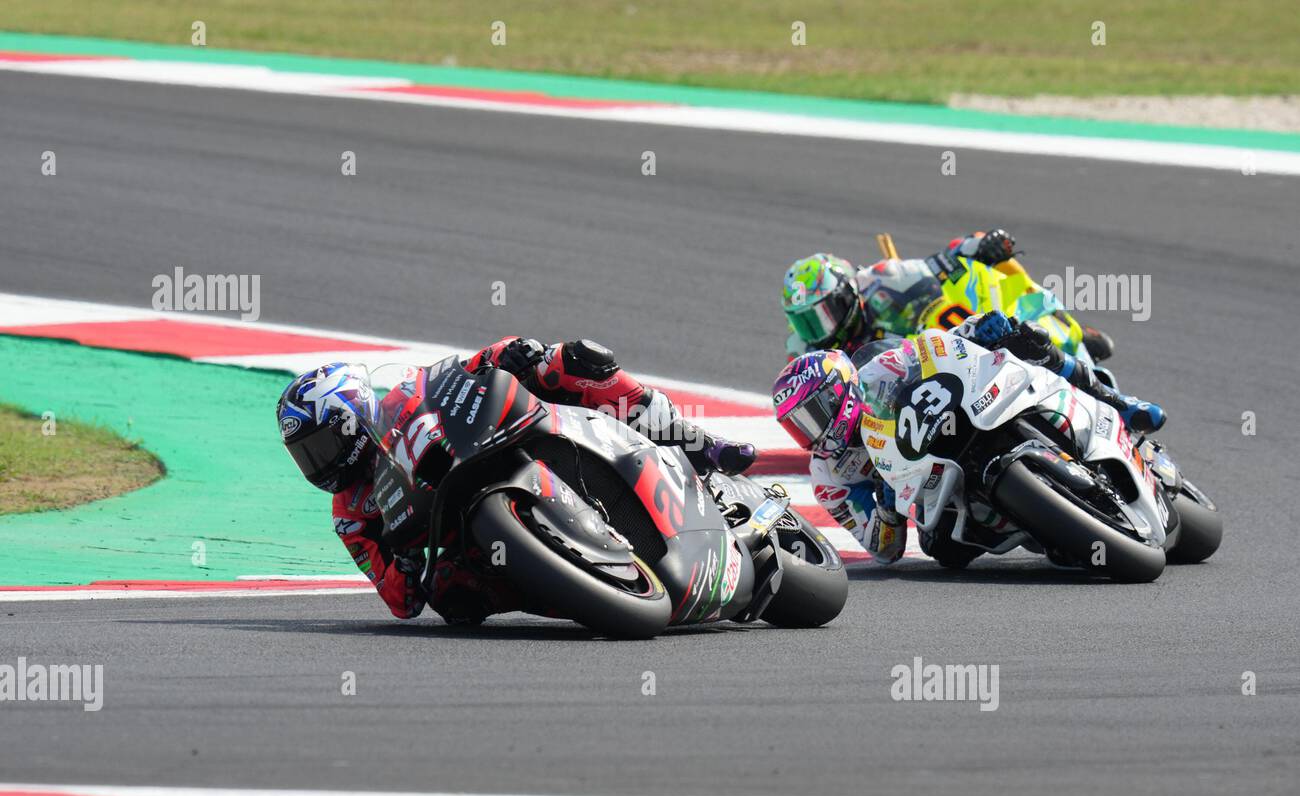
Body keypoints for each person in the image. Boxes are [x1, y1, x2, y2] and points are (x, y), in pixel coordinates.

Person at [277, 337, 756, 621]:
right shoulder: (350, 517)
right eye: (306, 456)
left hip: (495, 441)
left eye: (320, 447)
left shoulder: (400, 402)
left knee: (571, 362)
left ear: (352, 418)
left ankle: (694, 439)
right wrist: (402, 563)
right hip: (470, 538)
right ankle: (582, 585)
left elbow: (464, 370)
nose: (318, 465)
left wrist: (515, 353)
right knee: (452, 598)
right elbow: (398, 601)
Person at [771, 311, 1163, 567]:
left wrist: (977, 329)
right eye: (798, 427)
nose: (812, 432)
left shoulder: (877, 371)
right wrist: (888, 511)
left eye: (813, 415)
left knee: (1025, 341)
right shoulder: (830, 478)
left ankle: (1116, 401)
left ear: (840, 389)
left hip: (960, 417)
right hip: (932, 490)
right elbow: (883, 548)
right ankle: (1043, 526)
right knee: (943, 549)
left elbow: (932, 347)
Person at [779, 229, 1116, 366]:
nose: (818, 330)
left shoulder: (879, 283)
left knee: (999, 263)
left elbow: (939, 263)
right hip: (921, 399)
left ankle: (1065, 327)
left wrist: (978, 245)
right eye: (805, 322)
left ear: (846, 295)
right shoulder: (814, 356)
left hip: (958, 346)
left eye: (822, 314)